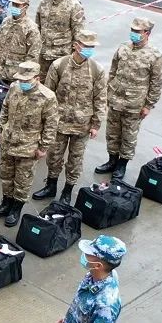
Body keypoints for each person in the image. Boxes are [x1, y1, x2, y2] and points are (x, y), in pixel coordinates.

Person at [34, 31, 107, 204]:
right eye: (85, 45)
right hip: (59, 122)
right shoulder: (59, 65)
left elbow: (101, 98)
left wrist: (96, 124)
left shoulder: (97, 70)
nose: (88, 49)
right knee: (54, 157)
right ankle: (51, 186)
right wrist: (45, 120)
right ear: (76, 44)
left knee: (75, 159)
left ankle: (67, 190)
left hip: (82, 125)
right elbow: (48, 94)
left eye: (91, 47)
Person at [0, 61, 59, 227]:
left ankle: (16, 209)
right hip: (8, 141)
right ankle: (5, 203)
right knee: (6, 176)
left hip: (29, 146)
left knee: (23, 180)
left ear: (37, 78)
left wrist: (43, 147)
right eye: (21, 80)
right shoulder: (14, 87)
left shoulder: (47, 97)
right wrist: (0, 130)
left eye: (27, 80)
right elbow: (4, 108)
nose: (23, 83)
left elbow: (51, 124)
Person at [95, 17, 162, 182]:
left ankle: (122, 165)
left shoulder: (155, 56)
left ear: (147, 33)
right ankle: (112, 160)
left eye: (137, 31)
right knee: (112, 132)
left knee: (129, 135)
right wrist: (108, 91)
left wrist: (149, 105)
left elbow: (156, 83)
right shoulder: (123, 48)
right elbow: (113, 71)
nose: (133, 34)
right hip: (115, 99)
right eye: (132, 31)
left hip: (135, 104)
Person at [37, 0, 86, 80]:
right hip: (43, 55)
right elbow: (38, 27)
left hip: (61, 56)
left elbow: (78, 33)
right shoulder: (43, 3)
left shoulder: (74, 6)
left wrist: (75, 57)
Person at [0, 0, 41, 82]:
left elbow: (32, 57)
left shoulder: (31, 28)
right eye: (13, 4)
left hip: (15, 76)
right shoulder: (6, 21)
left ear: (26, 7)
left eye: (17, 5)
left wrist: (24, 77)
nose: (14, 7)